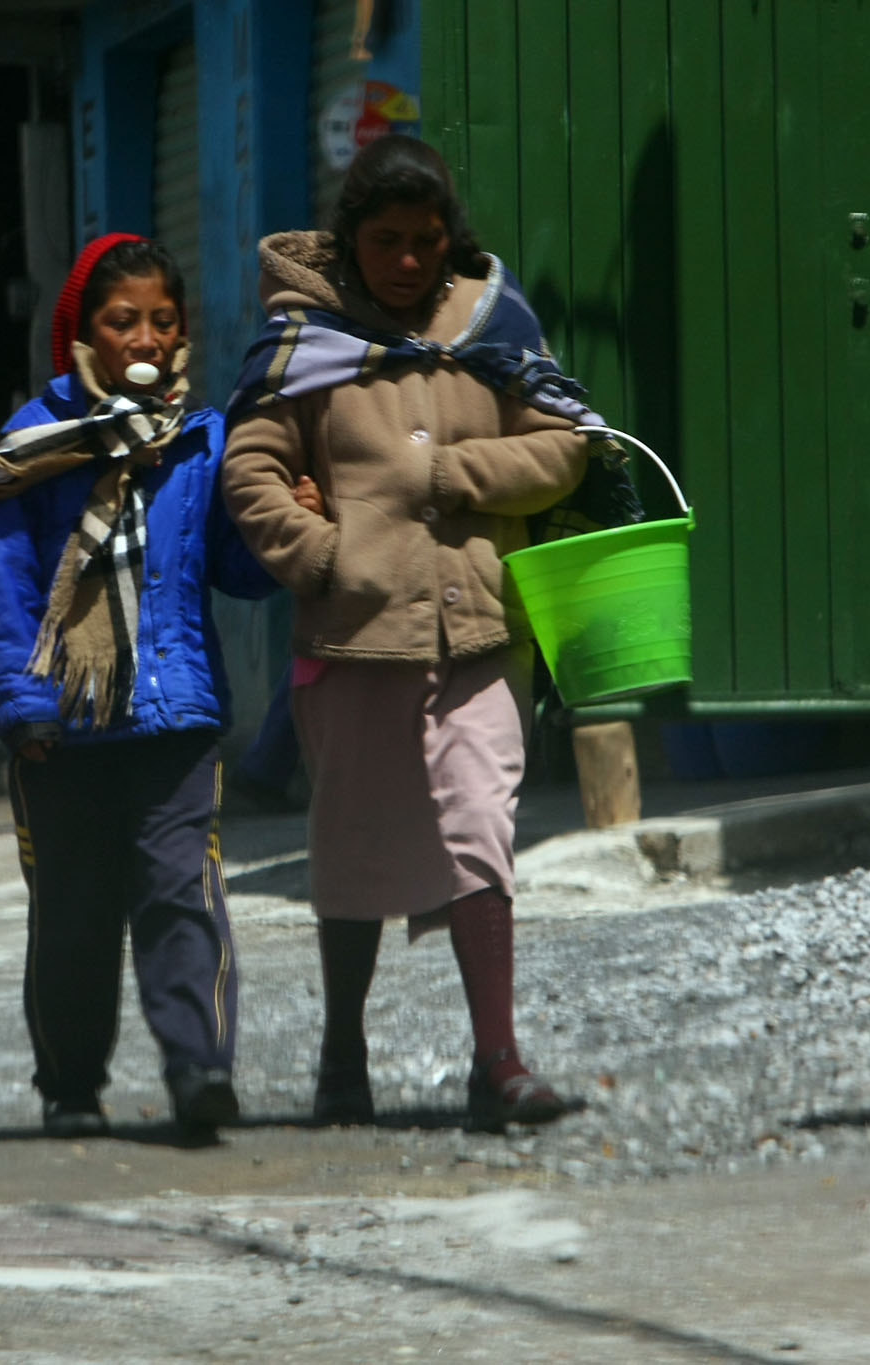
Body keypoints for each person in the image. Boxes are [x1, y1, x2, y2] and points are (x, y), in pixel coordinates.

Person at [221, 135, 590, 1132]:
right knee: (353, 850)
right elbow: (250, 469)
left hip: (477, 629)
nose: (407, 262)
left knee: (480, 827)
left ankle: (498, 1062)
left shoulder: (493, 326)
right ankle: (343, 1054)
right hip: (352, 639)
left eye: (425, 241)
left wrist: (458, 475)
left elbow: (564, 445)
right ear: (351, 242)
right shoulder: (306, 341)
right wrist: (320, 555)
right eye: (385, 241)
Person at [0, 234, 273, 1141]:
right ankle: (70, 1081)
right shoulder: (32, 443)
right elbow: (6, 584)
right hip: (64, 728)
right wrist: (23, 709)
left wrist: (284, 512)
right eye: (120, 319)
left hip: (173, 719)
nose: (142, 337)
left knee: (182, 894)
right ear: (81, 333)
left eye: (160, 321)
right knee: (75, 914)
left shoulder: (201, 441)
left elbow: (236, 572)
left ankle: (199, 1068)